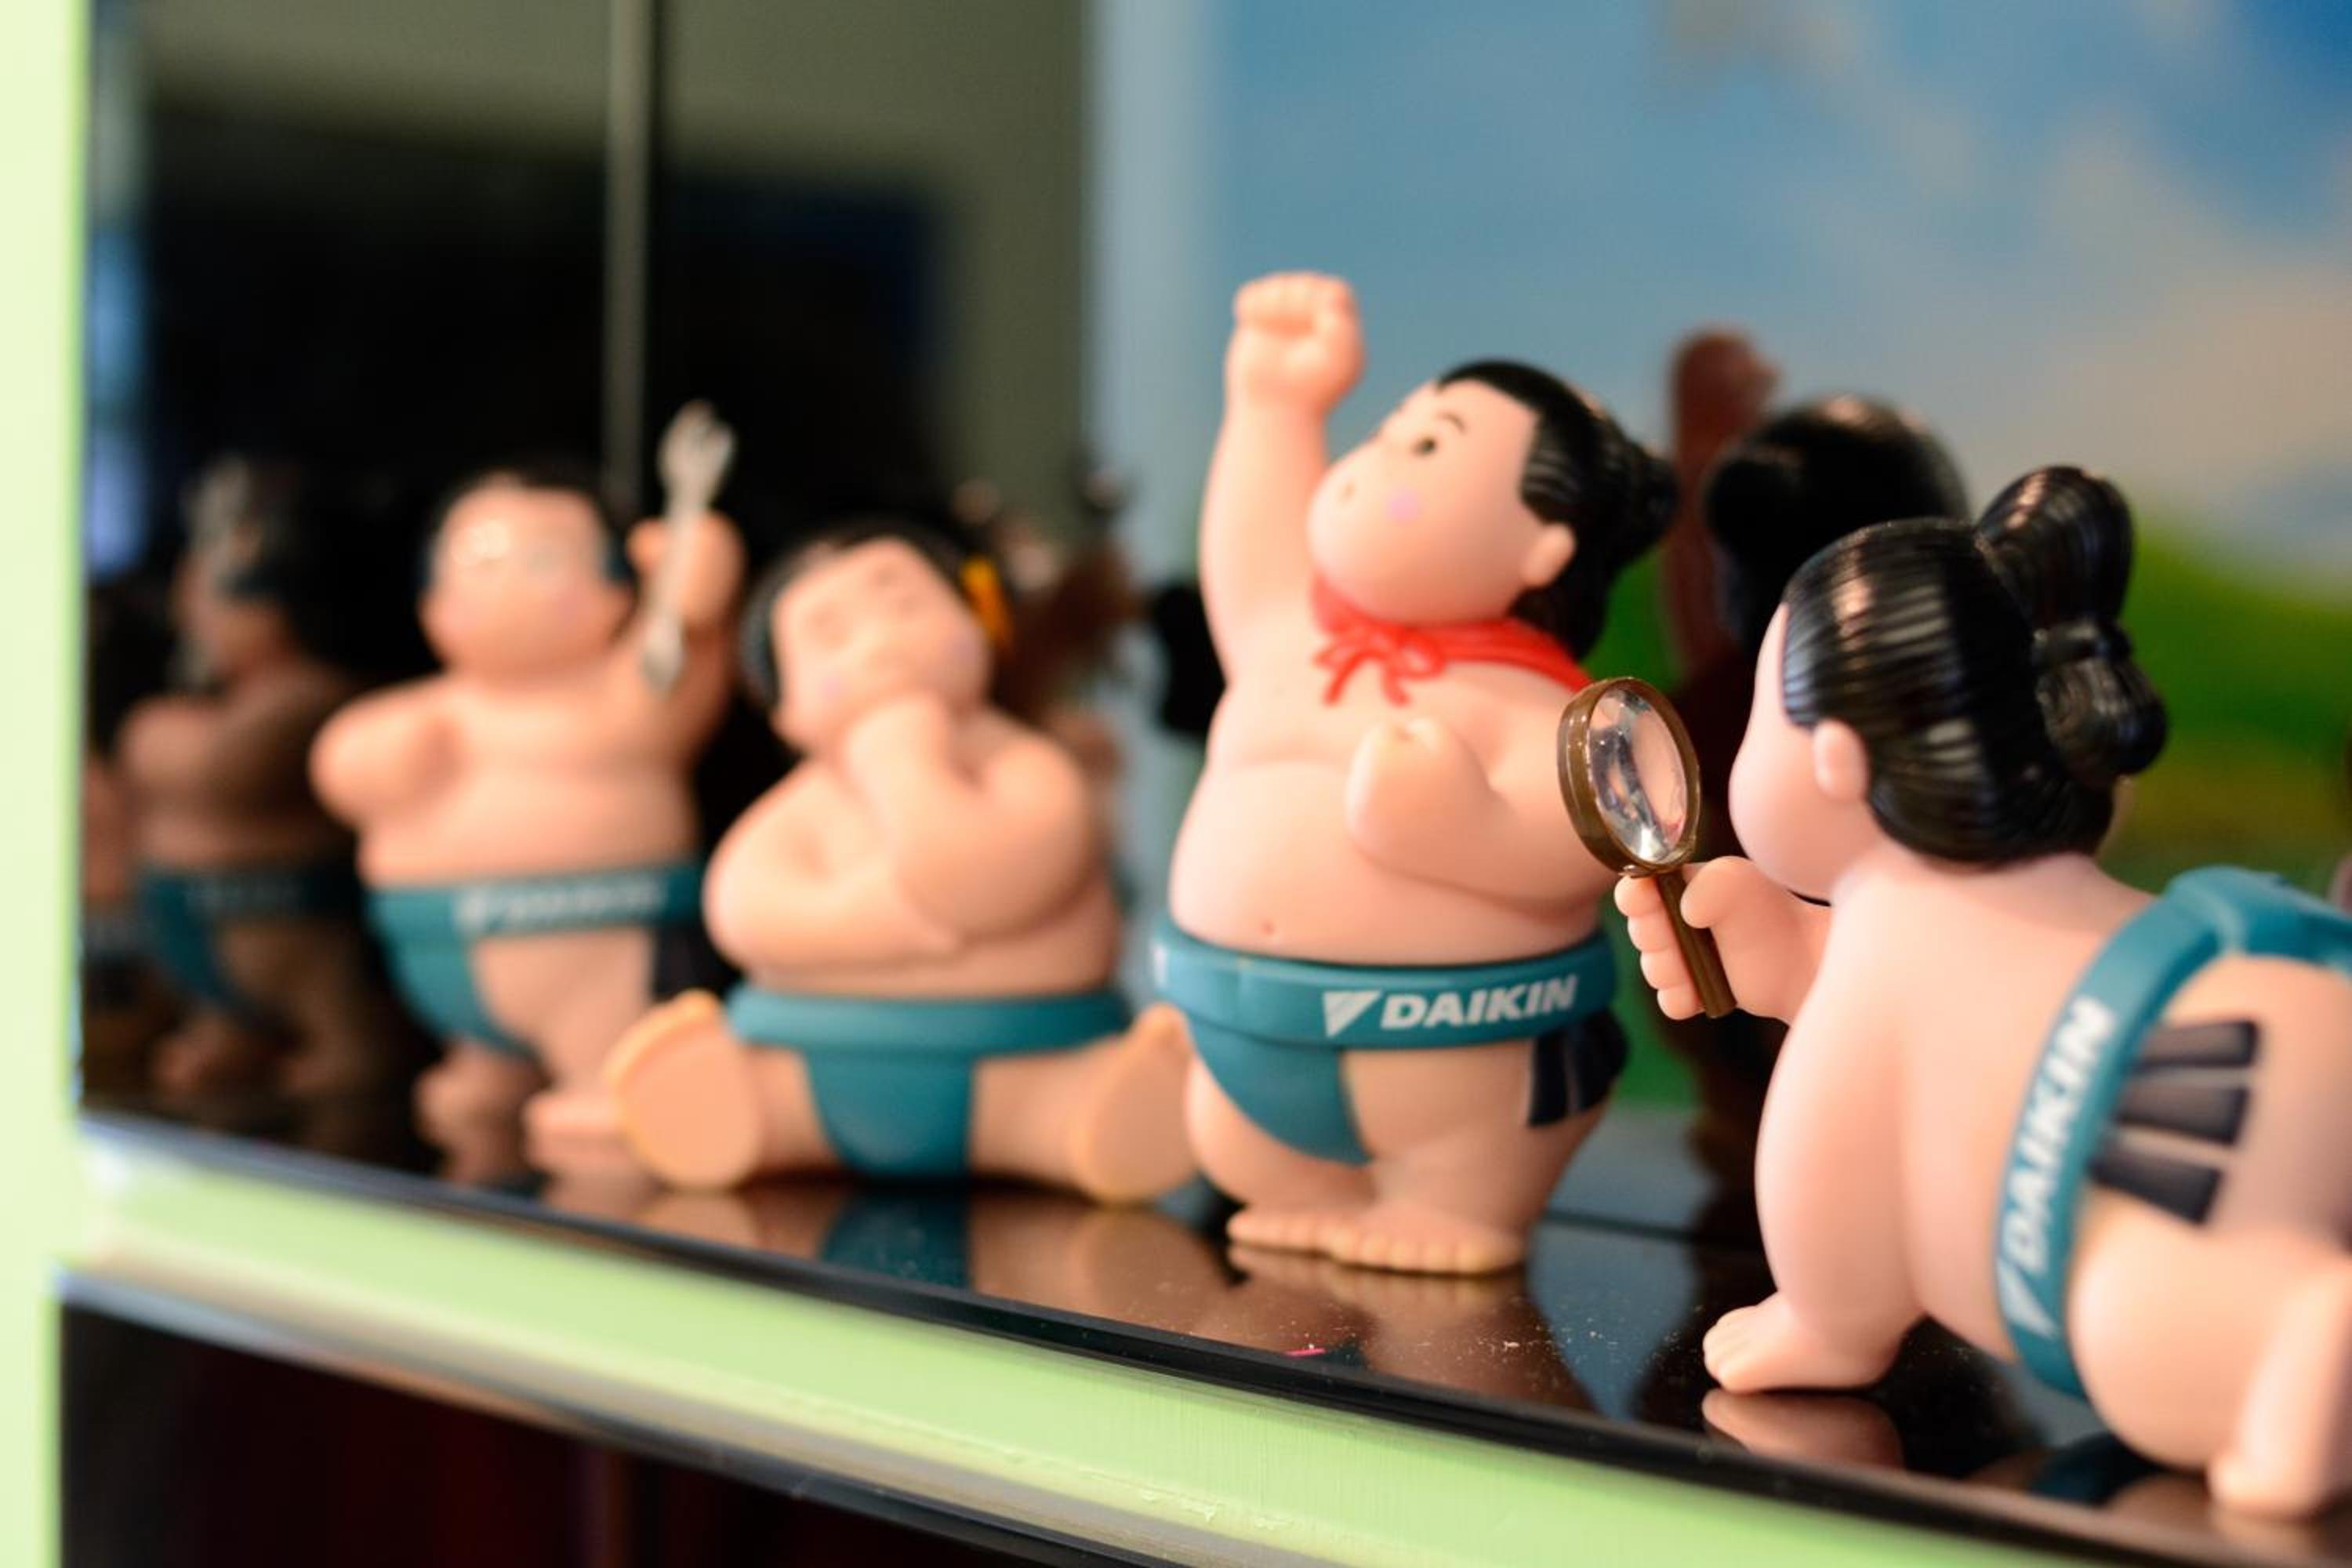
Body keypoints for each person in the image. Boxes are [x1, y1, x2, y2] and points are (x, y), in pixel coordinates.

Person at [1621, 467, 2352, 1517]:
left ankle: (2301, 1327)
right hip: (2266, 985)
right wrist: (1784, 950)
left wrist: (1824, 1323)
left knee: (2144, 1332)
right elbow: (1925, 1006)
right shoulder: (1933, 929)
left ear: (1837, 757)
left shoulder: (1888, 960)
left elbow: (1826, 1163)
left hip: (2164, 1112)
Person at [1153, 273, 1674, 1274]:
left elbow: (1587, 837)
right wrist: (1275, 404)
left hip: (1455, 1065)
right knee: (1238, 1146)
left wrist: (1469, 829)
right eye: (1391, 430)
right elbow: (1251, 542)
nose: (1379, 459)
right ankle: (1300, 1179)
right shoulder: (1293, 633)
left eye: (1429, 447)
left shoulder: (1538, 703)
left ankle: (1457, 1206)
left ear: (1544, 545)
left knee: (1467, 1143)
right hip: (1241, 1034)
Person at [603, 521, 1193, 1200]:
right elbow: (742, 906)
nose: (879, 644)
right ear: (786, 710)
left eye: (905, 606)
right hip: (818, 1064)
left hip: (1023, 1056)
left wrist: (902, 761)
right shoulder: (805, 803)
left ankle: (1098, 1119)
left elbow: (983, 887)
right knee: (764, 1094)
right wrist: (868, 919)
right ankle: (738, 1112)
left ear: (978, 624)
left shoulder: (1024, 766)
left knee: (1072, 1106)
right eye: (830, 637)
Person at [311, 463, 742, 1167]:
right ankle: (491, 1066)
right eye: (478, 563)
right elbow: (339, 769)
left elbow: (681, 677)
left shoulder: (622, 699)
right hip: (438, 952)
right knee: (480, 1075)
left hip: (601, 955)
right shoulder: (433, 708)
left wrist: (692, 603)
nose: (506, 584)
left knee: (605, 1023)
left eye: (543, 563)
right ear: (431, 597)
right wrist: (372, 762)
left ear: (616, 591)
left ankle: (607, 1078)